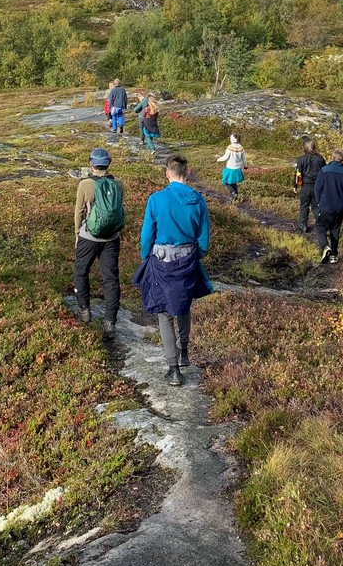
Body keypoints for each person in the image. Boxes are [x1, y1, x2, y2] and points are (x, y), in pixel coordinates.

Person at [133, 154, 212, 387]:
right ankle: (184, 352)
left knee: (164, 312)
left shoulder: (156, 199)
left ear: (167, 174)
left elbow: (147, 234)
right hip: (188, 259)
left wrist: (145, 255)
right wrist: (198, 254)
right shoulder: (198, 200)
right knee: (184, 304)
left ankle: (173, 369)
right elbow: (204, 238)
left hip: (161, 261)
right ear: (187, 173)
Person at [73, 147, 125, 338]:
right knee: (111, 279)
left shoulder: (85, 185)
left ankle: (85, 311)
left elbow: (79, 212)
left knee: (81, 272)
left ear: (91, 163)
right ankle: (110, 323)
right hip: (112, 238)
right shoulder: (118, 183)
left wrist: (77, 234)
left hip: (88, 237)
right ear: (108, 162)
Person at [314, 147, 343, 265]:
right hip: (339, 208)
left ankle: (325, 247)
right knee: (335, 230)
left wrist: (319, 202)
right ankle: (334, 256)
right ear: (342, 159)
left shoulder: (324, 170)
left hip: (325, 206)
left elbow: (317, 189)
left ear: (332, 157)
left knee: (320, 227)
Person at [293, 138, 327, 233]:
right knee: (316, 207)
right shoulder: (320, 158)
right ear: (314, 146)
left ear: (304, 147)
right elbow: (324, 172)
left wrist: (296, 186)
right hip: (317, 187)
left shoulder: (301, 159)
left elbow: (298, 174)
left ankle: (303, 225)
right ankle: (321, 226)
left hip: (305, 186)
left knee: (304, 206)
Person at [216, 133, 249, 202]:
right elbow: (244, 159)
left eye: (230, 138)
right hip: (237, 169)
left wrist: (218, 159)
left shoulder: (230, 147)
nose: (230, 139)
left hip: (230, 168)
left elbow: (225, 157)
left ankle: (233, 193)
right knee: (234, 183)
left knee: (226, 181)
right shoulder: (241, 147)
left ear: (233, 139)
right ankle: (235, 197)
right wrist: (245, 166)